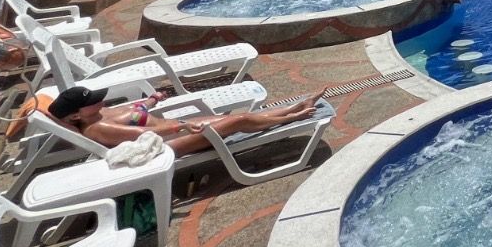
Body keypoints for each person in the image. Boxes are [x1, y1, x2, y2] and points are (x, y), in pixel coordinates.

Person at [49, 85, 324, 157]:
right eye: (92, 101)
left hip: (171, 131)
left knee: (231, 118)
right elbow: (140, 137)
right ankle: (295, 116)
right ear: (76, 114)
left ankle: (295, 107)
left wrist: (152, 100)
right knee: (238, 120)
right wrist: (183, 125)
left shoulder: (98, 113)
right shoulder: (100, 127)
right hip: (168, 145)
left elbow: (134, 109)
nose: (100, 101)